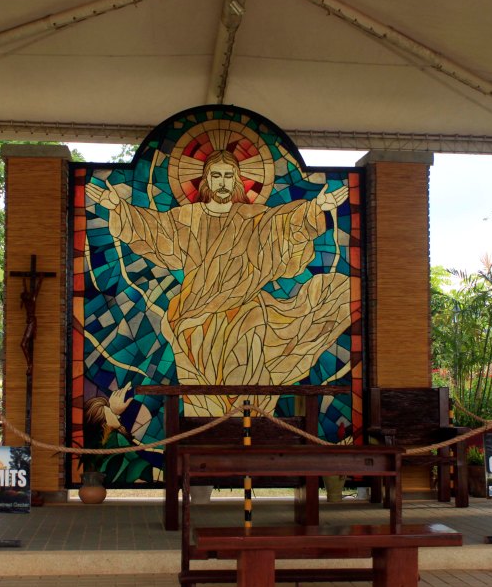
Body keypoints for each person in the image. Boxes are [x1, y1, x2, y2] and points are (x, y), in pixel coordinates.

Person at [85, 150, 354, 416]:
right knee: (203, 357)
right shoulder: (189, 218)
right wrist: (117, 207)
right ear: (206, 180)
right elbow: (154, 229)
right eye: (216, 175)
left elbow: (283, 224)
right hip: (195, 311)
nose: (222, 182)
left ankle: (249, 423)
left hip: (247, 309)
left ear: (237, 180)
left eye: (228, 175)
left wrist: (316, 208)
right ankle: (212, 427)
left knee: (256, 335)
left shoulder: (253, 217)